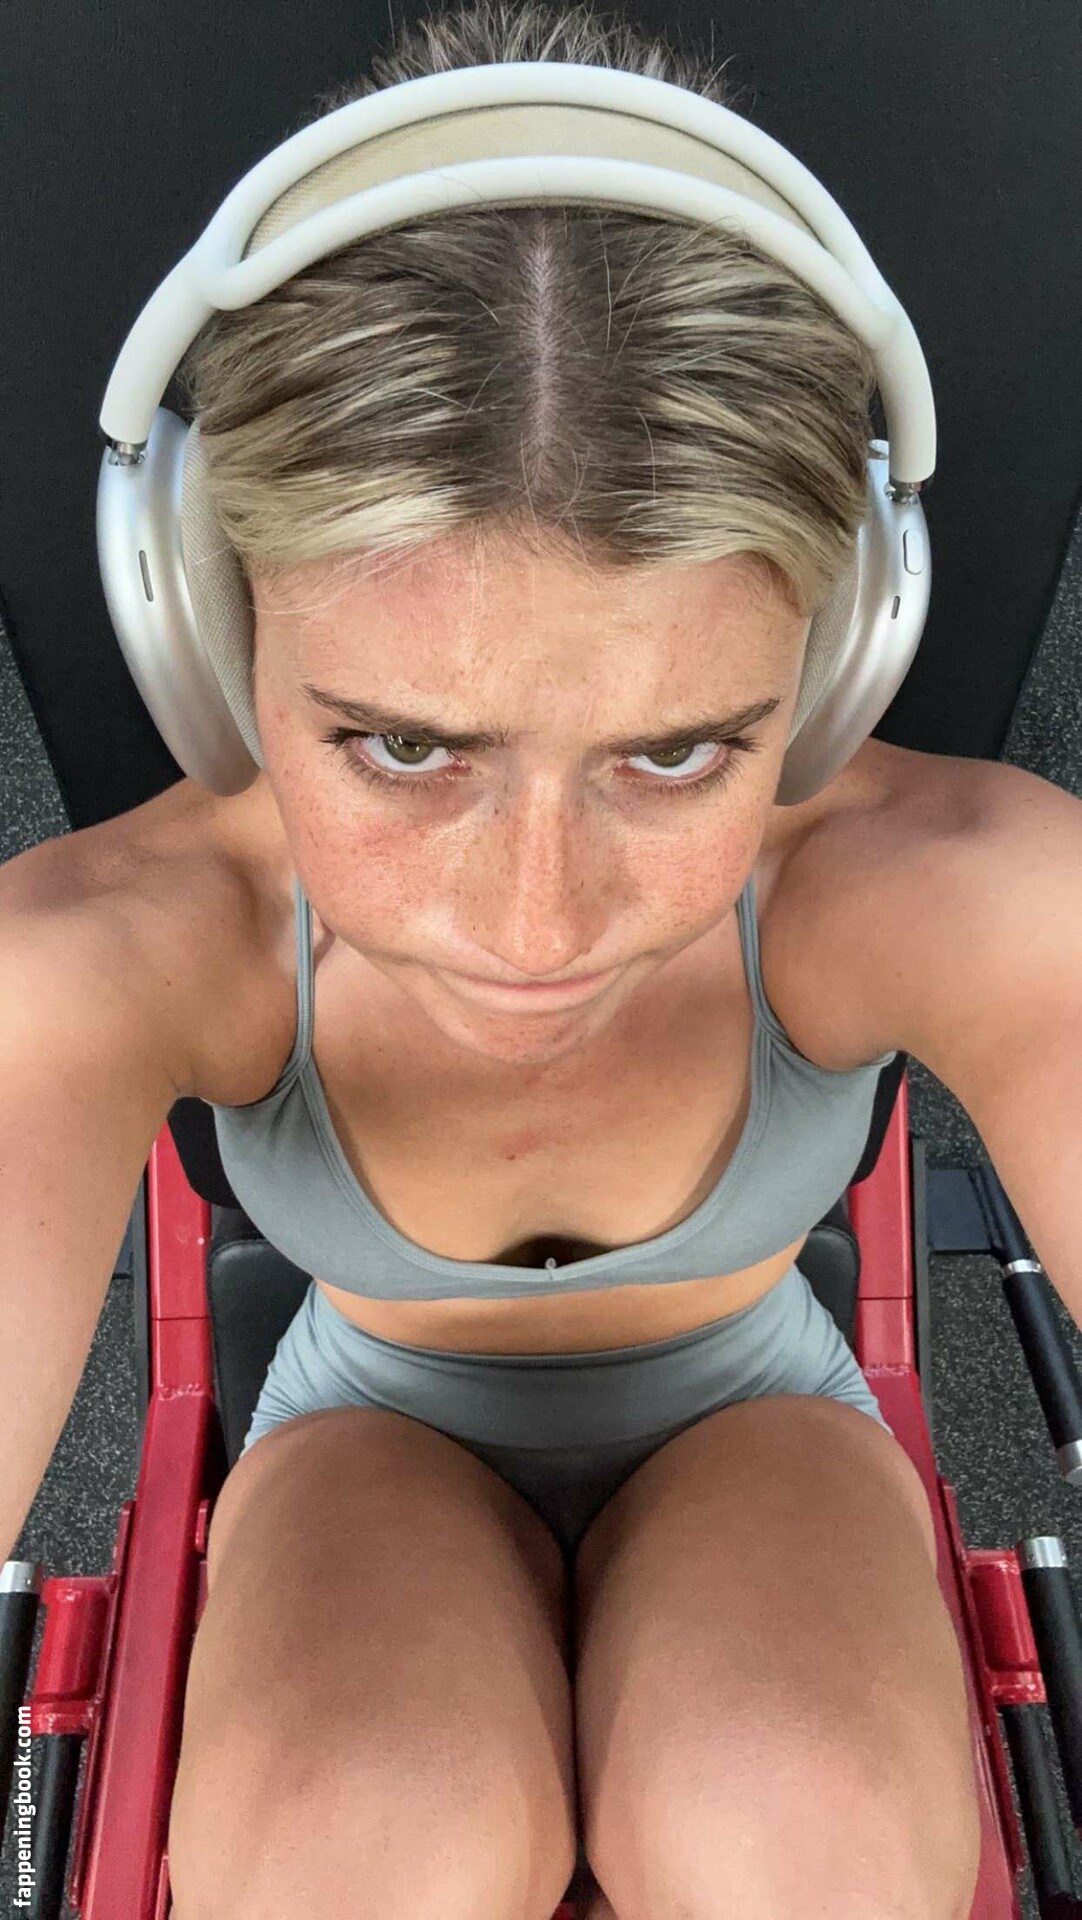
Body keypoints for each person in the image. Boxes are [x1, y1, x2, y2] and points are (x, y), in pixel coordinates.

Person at [10, 2, 1015, 1915]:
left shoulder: (930, 881)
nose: (533, 930)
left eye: (676, 751)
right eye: (403, 746)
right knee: (367, 1851)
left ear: (836, 667)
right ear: (208, 647)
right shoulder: (126, 944)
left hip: (755, 1412)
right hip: (368, 1425)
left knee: (787, 1836)